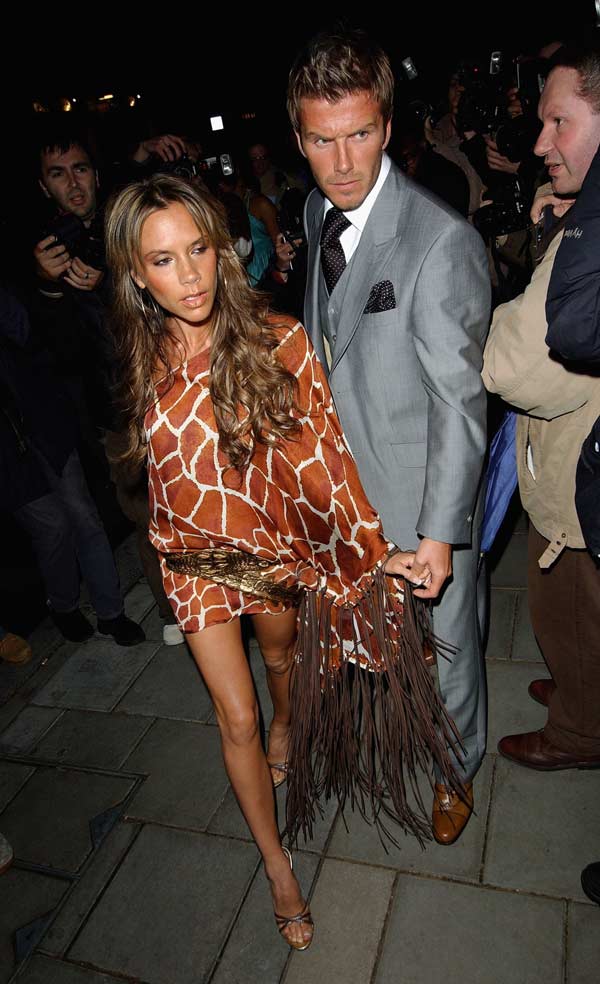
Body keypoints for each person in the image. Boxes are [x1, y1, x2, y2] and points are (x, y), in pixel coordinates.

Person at [105, 174, 463, 948]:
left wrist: (373, 552)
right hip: (192, 560)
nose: (189, 276)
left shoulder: (279, 341)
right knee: (236, 717)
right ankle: (276, 867)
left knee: (281, 664)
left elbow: (325, 464)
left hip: (270, 555)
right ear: (136, 273)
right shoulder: (139, 356)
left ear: (221, 249)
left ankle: (289, 725)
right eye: (163, 260)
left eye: (198, 249)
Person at [288, 29, 491, 844]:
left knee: (450, 649)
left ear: (388, 126)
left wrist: (440, 533)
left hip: (419, 499)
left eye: (360, 134)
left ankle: (456, 769)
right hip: (345, 493)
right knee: (369, 643)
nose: (342, 164)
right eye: (321, 140)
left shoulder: (441, 240)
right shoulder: (315, 211)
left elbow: (461, 403)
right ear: (298, 137)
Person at [482, 46, 600, 771]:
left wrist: (487, 318)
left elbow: (515, 366)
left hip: (579, 482)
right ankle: (582, 694)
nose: (539, 143)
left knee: (572, 611)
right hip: (579, 454)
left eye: (560, 122)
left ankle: (580, 732)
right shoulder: (584, 213)